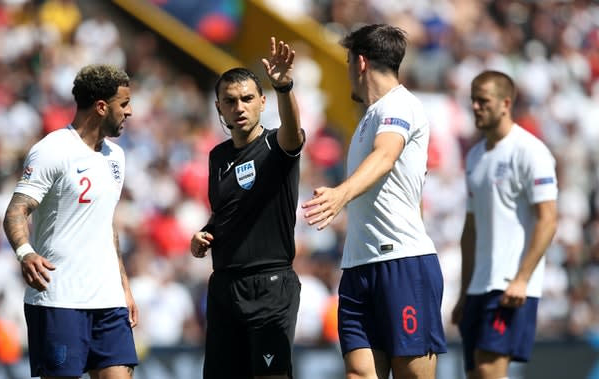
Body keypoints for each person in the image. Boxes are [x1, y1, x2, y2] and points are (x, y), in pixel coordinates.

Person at [302, 24, 446, 378]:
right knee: (359, 374)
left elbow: (385, 156)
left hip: (402, 262)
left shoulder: (401, 105)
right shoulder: (369, 117)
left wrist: (340, 193)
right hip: (358, 266)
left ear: (360, 63)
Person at [2, 63, 138, 379]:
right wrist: (26, 254)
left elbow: (106, 223)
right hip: (59, 298)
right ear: (102, 107)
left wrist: (124, 288)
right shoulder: (52, 151)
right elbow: (16, 211)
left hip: (108, 300)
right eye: (124, 104)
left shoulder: (116, 156)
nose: (130, 112)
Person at [190, 36, 305, 379]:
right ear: (219, 108)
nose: (239, 107)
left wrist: (285, 87)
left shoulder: (276, 145)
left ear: (262, 102)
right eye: (230, 101)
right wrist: (204, 234)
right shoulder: (218, 156)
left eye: (247, 99)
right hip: (224, 285)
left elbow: (293, 133)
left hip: (269, 283)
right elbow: (228, 211)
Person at [450, 70, 558, 379]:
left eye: (483, 101)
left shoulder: (530, 151)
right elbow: (470, 230)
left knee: (488, 371)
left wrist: (522, 278)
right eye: (472, 100)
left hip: (510, 283)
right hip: (479, 286)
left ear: (505, 103)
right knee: (475, 374)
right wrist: (463, 292)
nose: (475, 107)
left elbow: (548, 219)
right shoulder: (474, 157)